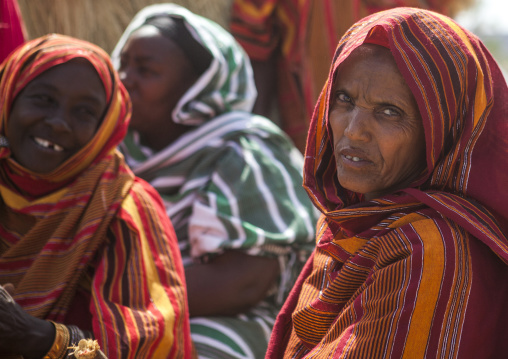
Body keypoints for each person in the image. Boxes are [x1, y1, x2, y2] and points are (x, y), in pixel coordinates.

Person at [266, 7, 508, 358]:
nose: (352, 131)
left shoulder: (429, 248)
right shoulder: (350, 225)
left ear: (443, 131)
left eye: (389, 112)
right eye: (344, 99)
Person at [111, 3, 317, 358]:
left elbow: (245, 282)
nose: (124, 79)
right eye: (123, 64)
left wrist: (115, 300)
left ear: (197, 89)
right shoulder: (118, 151)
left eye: (145, 70)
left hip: (238, 319)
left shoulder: (243, 150)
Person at [0, 34, 193, 359]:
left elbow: (147, 348)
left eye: (84, 112)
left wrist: (37, 336)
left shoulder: (123, 206)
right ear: (9, 97)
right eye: (43, 99)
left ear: (106, 126)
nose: (59, 122)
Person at [229, 0, 473, 152]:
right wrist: (254, 144)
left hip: (406, 157)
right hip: (317, 149)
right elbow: (252, 48)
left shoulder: (431, 9)